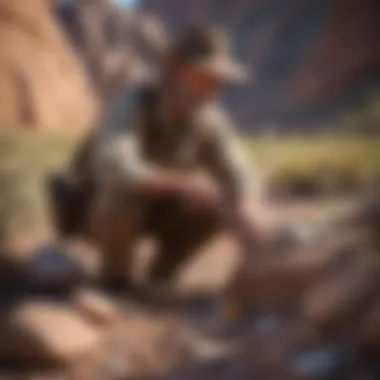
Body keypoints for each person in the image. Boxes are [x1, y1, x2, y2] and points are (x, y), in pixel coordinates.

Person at [50, 26, 264, 292]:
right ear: (174, 72)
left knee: (217, 203)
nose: (212, 90)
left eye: (217, 81)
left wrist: (244, 201)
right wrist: (185, 185)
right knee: (120, 197)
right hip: (94, 210)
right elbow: (117, 166)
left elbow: (238, 166)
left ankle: (161, 277)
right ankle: (116, 281)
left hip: (155, 208)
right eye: (204, 78)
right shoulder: (131, 103)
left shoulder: (206, 117)